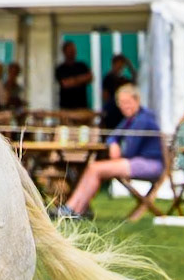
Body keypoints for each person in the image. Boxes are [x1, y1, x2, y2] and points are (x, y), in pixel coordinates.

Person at [56, 84, 163, 220]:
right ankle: (74, 209)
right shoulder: (131, 119)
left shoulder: (143, 119)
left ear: (137, 100)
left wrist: (117, 151)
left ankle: (73, 209)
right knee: (93, 168)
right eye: (121, 103)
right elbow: (112, 135)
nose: (124, 106)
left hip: (150, 164)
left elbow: (130, 150)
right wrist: (113, 143)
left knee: (95, 168)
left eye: (127, 102)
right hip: (136, 161)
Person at [100, 54, 137, 129]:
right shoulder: (108, 78)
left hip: (121, 112)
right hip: (111, 111)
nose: (120, 67)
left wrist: (129, 65)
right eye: (119, 64)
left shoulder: (123, 80)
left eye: (122, 65)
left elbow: (135, 80)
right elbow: (105, 96)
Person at [54, 41, 93, 111]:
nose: (72, 52)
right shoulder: (60, 69)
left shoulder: (82, 66)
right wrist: (82, 79)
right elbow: (65, 83)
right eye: (70, 50)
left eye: (74, 50)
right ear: (64, 52)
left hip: (82, 107)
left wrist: (73, 81)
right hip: (66, 108)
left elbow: (90, 77)